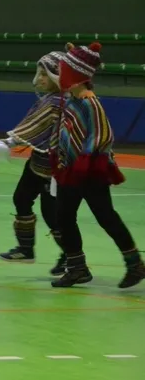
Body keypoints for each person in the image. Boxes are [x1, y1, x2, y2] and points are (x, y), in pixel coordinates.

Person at [49, 42, 143, 289]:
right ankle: (77, 267)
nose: (60, 75)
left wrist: (85, 159)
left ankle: (135, 264)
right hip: (71, 169)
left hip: (89, 170)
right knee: (64, 216)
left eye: (64, 70)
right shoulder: (71, 100)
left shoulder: (90, 103)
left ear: (75, 75)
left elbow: (102, 134)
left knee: (105, 216)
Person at [0, 51, 67, 274]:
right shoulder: (49, 99)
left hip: (55, 168)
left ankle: (71, 256)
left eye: (45, 74)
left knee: (52, 214)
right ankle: (25, 249)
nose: (40, 78)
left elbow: (33, 128)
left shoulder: (57, 103)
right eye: (39, 73)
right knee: (21, 198)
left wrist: (8, 142)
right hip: (38, 161)